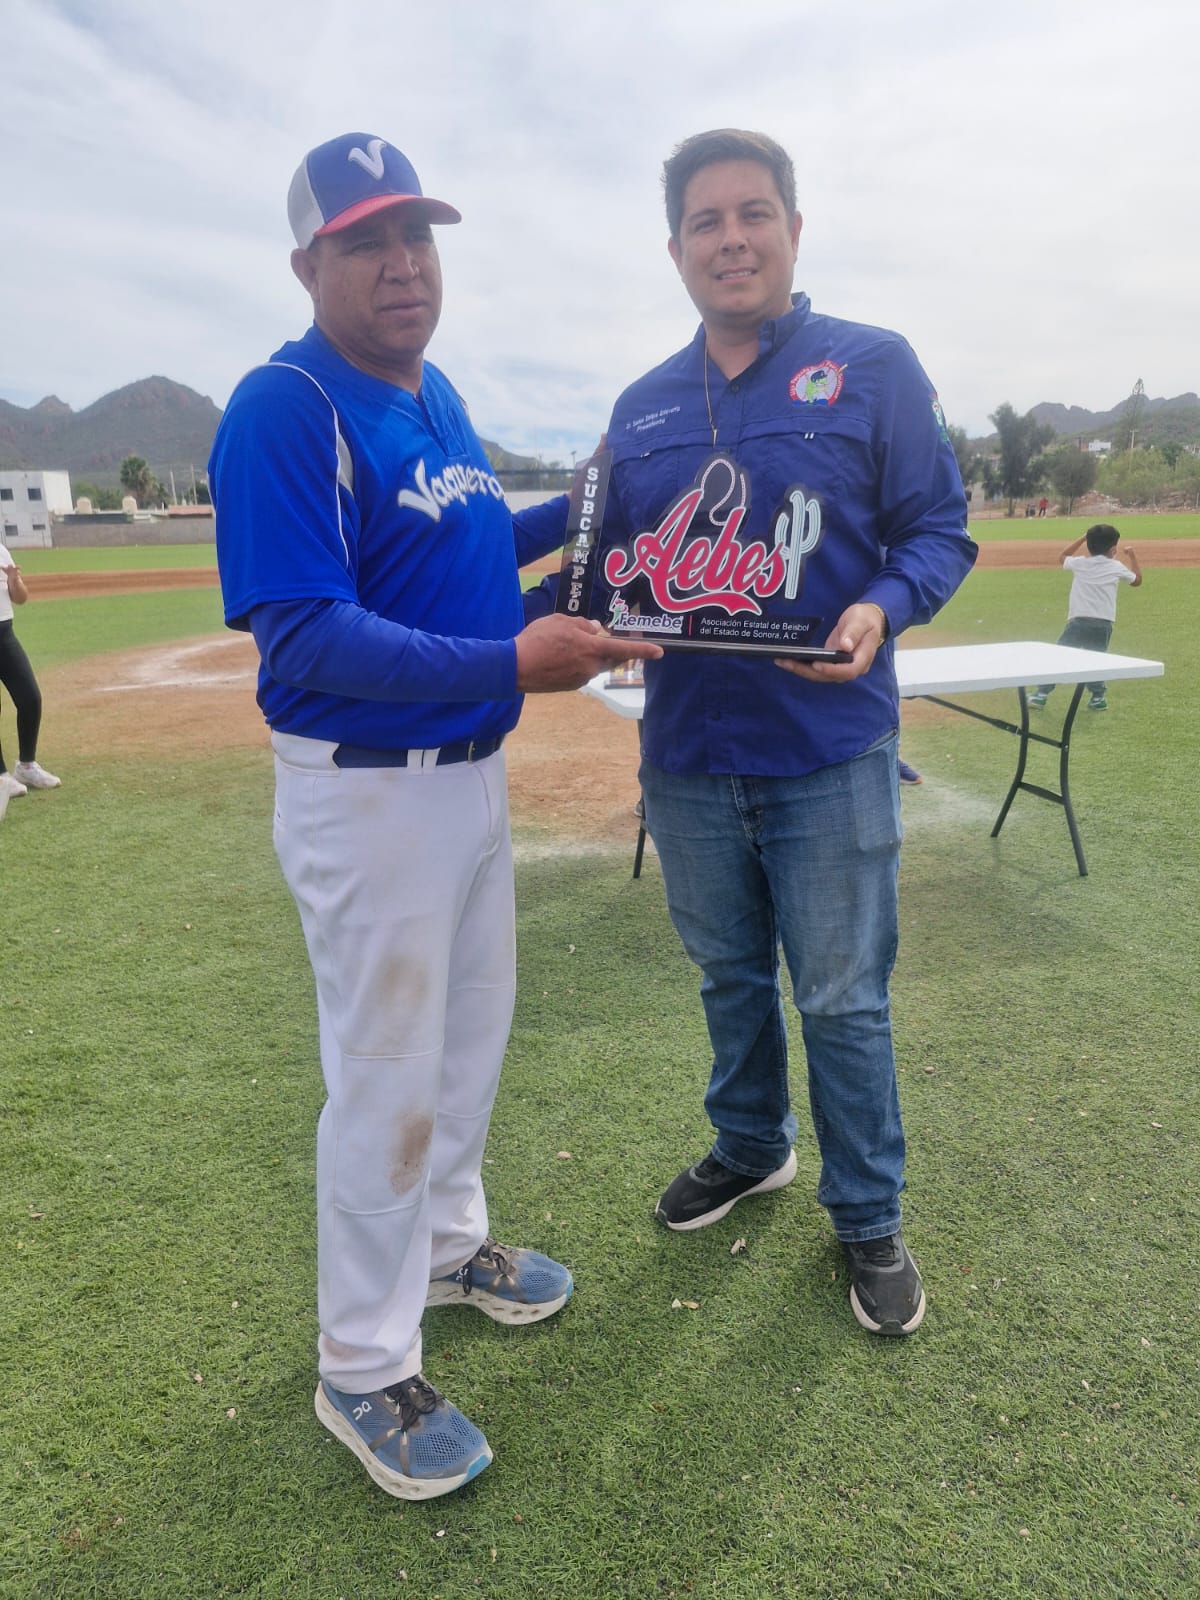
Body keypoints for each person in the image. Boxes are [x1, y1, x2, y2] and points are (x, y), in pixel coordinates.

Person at [208, 133, 659, 1501]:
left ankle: (452, 1250)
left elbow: (462, 546)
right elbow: (306, 632)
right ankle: (360, 1362)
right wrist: (515, 658)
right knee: (387, 1078)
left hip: (465, 774)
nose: (402, 264)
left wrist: (582, 504)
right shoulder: (287, 405)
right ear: (309, 265)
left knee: (467, 1043)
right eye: (366, 242)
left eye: (416, 236)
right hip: (365, 793)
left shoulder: (435, 388)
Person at [597, 129, 976, 1335]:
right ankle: (752, 1144)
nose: (732, 239)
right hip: (688, 756)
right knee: (727, 974)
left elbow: (939, 530)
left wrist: (882, 604)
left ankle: (868, 1214)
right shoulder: (642, 407)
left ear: (794, 231)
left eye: (753, 213)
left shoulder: (872, 365)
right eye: (705, 221)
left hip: (829, 754)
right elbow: (606, 564)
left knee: (843, 998)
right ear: (675, 249)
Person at [1027, 523, 1141, 710]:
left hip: (1078, 621)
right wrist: (1133, 555)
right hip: (1103, 624)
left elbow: (1063, 556)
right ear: (1113, 549)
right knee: (1096, 659)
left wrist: (1082, 538)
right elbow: (1137, 580)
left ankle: (1041, 694)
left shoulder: (1080, 563)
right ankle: (1098, 697)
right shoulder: (1116, 566)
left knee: (1059, 657)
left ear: (1088, 544)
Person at [0, 542, 62, 821]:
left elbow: (21, 598)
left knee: (30, 698)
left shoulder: (1, 550)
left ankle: (26, 765)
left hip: (4, 635)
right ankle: (1, 775)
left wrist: (14, 582)